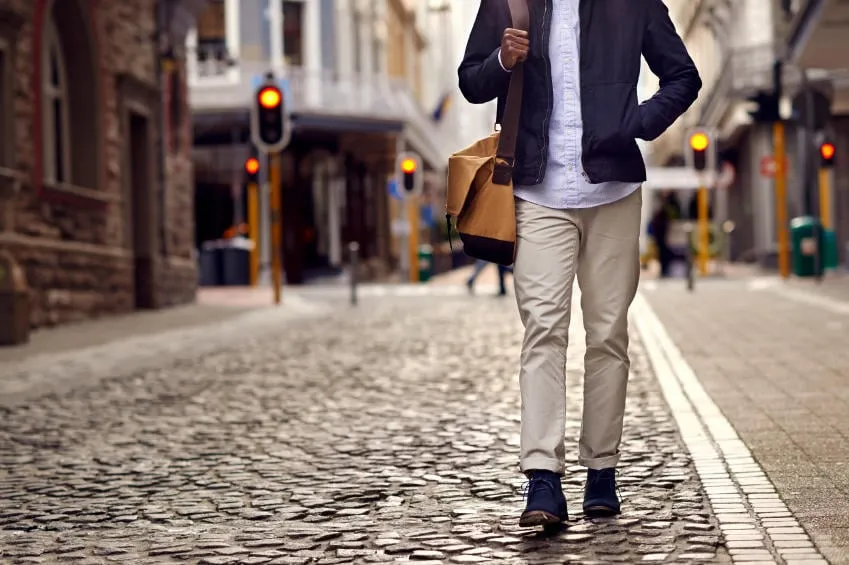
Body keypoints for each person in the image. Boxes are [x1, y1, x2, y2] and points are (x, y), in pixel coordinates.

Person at [459, 0, 700, 527]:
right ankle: (542, 478)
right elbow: (472, 82)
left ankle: (601, 472)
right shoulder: (509, 2)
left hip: (612, 188)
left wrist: (638, 121)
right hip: (536, 192)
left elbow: (683, 76)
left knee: (608, 334)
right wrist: (502, 60)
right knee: (543, 329)